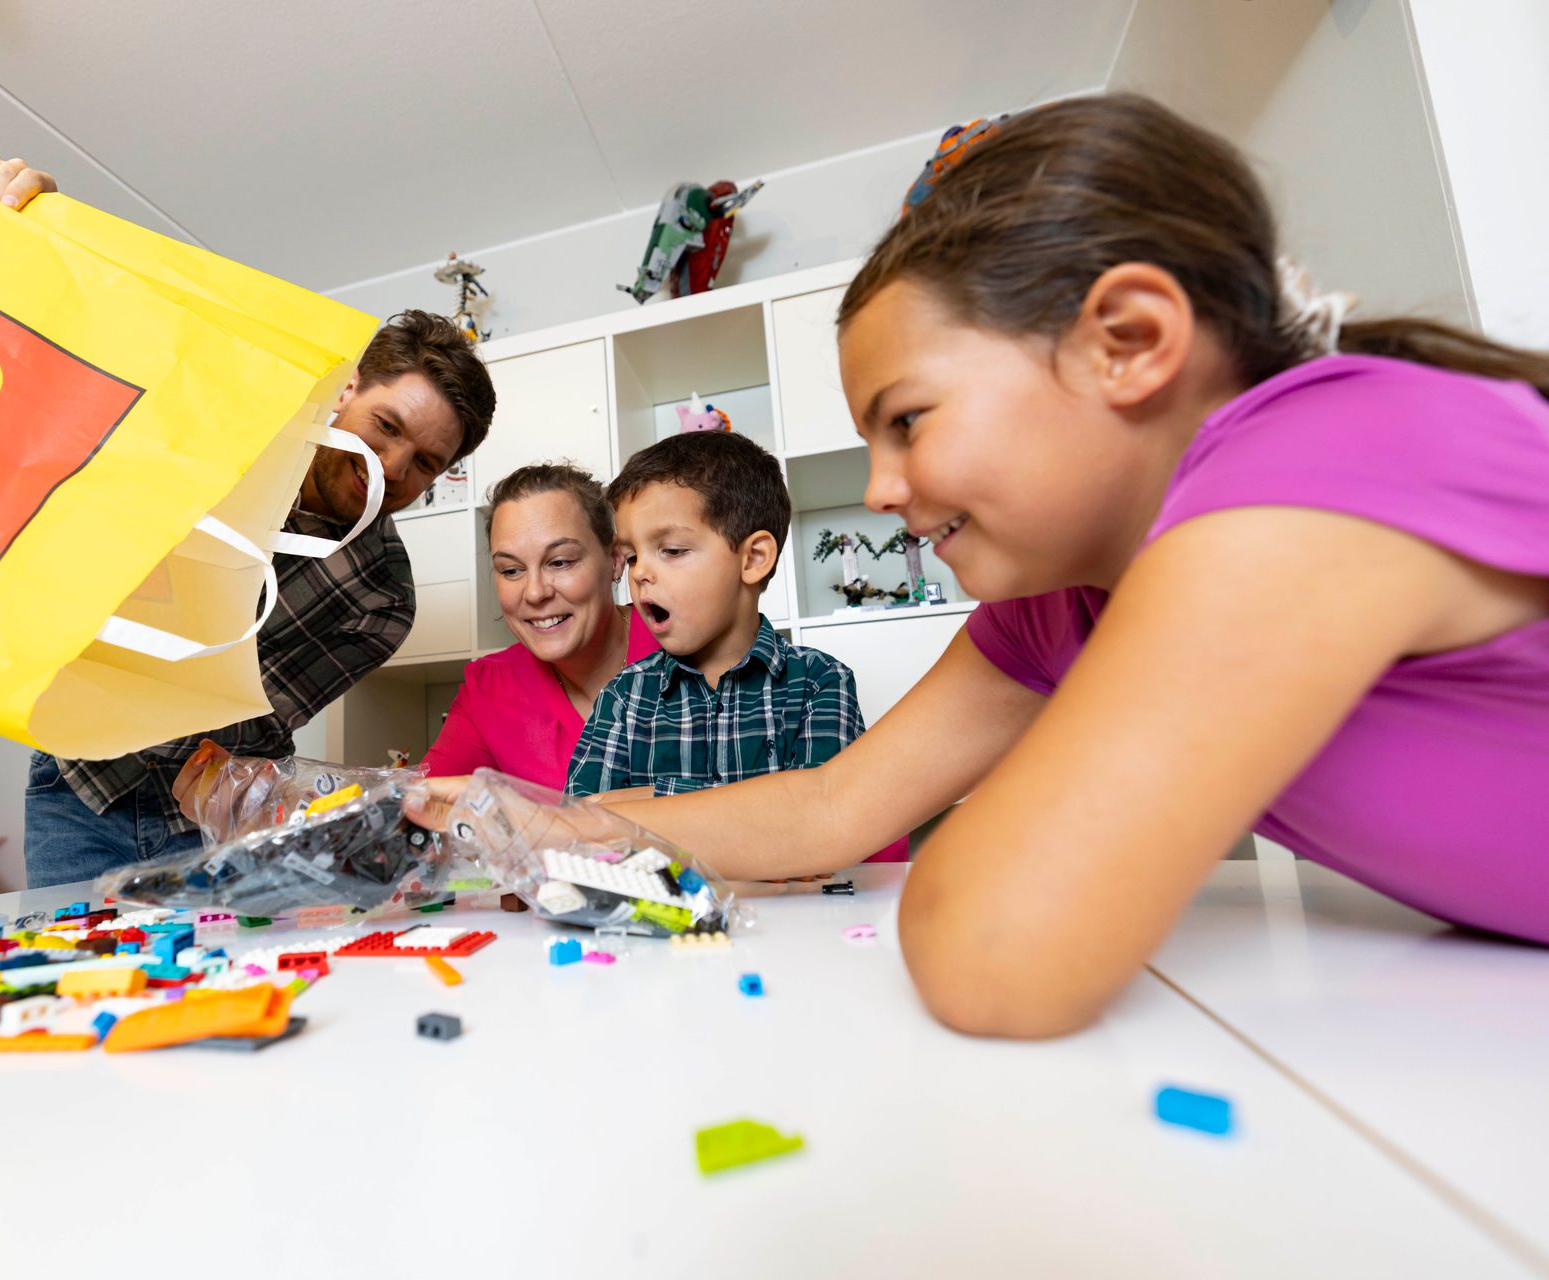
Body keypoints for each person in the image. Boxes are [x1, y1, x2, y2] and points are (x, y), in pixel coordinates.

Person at [410, 94, 1549, 1038]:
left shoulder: (1318, 462)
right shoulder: (1059, 606)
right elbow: (829, 805)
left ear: (1132, 342)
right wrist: (566, 824)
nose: (882, 490)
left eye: (907, 420)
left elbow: (994, 950)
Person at [0, 158, 497, 887]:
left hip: (207, 817)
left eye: (425, 462)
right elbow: (81, 359)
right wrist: (33, 233)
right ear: (346, 389)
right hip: (77, 790)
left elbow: (241, 719)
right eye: (386, 425)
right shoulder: (221, 427)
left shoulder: (382, 598)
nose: (393, 467)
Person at [566, 432, 865, 798]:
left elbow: (821, 819)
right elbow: (583, 823)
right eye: (631, 557)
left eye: (672, 550)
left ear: (753, 558)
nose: (640, 572)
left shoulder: (819, 683)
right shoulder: (623, 698)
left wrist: (650, 797)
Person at [420, 464, 658, 788]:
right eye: (511, 570)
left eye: (560, 562)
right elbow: (422, 804)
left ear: (615, 559)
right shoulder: (489, 689)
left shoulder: (682, 646)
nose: (535, 592)